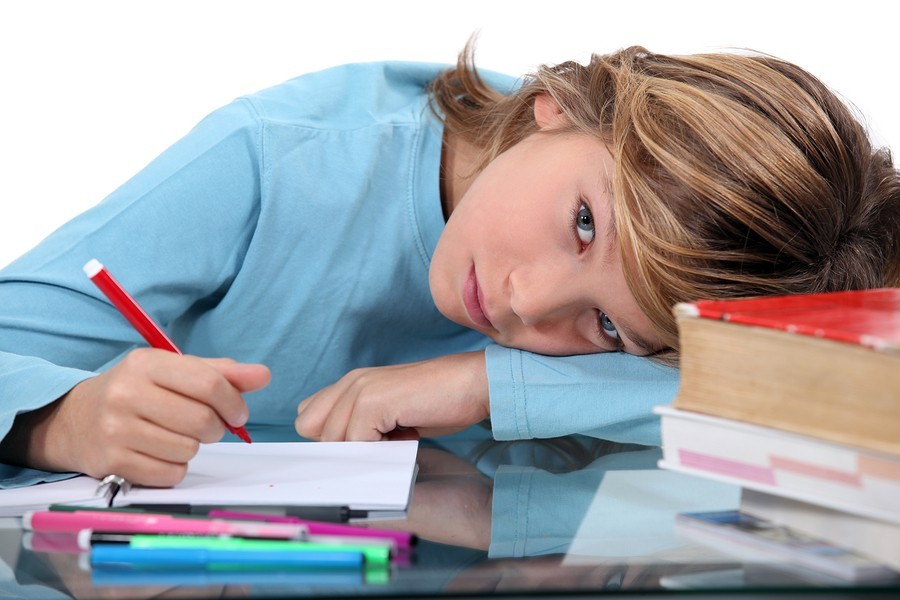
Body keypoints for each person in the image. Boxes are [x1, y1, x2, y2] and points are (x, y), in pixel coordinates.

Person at [1, 41, 898, 489]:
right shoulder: (275, 161)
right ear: (558, 105)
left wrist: (487, 383)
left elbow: (858, 415)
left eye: (608, 326)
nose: (525, 305)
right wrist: (58, 421)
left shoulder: (572, 324)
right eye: (583, 225)